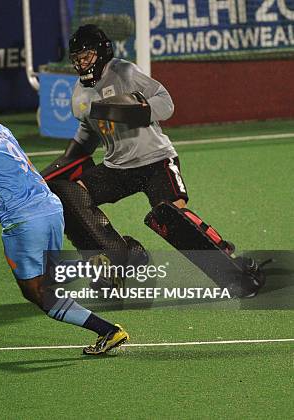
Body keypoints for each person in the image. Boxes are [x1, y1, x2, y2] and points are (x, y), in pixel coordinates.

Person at [43, 24, 268, 297]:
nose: (81, 64)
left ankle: (233, 269)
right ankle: (119, 259)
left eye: (87, 56)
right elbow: (86, 139)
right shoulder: (79, 94)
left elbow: (166, 103)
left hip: (156, 161)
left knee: (169, 216)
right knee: (66, 195)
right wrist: (48, 174)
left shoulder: (125, 71)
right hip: (117, 168)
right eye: (77, 59)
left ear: (102, 53)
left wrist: (130, 111)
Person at [0, 85, 129, 355]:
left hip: (24, 224)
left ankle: (107, 329)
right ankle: (98, 274)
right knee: (47, 284)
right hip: (50, 210)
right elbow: (13, 182)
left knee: (36, 293)